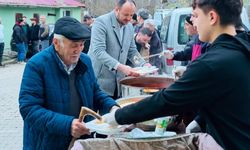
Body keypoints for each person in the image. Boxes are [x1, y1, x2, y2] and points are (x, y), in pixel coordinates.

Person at [104, 0, 250, 149]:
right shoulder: (242, 47)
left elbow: (166, 100)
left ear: (212, 17)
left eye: (195, 15)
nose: (192, 21)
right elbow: (229, 97)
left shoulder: (212, 62)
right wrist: (200, 120)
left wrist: (118, 116)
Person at [19, 16, 119, 150]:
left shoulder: (85, 61)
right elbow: (29, 109)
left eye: (82, 44)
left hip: (80, 141)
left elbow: (95, 92)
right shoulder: (37, 65)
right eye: (73, 46)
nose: (78, 50)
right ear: (56, 43)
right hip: (47, 143)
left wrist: (113, 107)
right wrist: (68, 125)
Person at [88, 0, 149, 99]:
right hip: (100, 81)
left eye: (131, 15)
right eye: (126, 15)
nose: (129, 18)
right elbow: (99, 51)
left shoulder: (129, 27)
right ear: (117, 10)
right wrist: (121, 67)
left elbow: (132, 51)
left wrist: (143, 64)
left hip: (119, 83)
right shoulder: (101, 22)